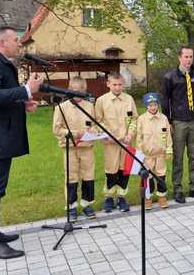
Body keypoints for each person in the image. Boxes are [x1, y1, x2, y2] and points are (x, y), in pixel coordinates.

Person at [0, 26, 42, 259]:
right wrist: (25, 90)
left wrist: (23, 101)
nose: (19, 43)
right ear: (2, 42)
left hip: (1, 137)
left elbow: (1, 96)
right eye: (15, 40)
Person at [162, 46, 194, 204]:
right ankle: (178, 189)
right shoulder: (170, 77)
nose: (189, 60)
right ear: (179, 58)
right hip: (179, 122)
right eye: (186, 57)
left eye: (191, 56)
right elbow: (165, 101)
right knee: (178, 157)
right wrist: (168, 121)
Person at [51, 76, 97, 221]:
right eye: (75, 90)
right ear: (69, 89)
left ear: (85, 90)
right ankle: (71, 206)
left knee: (88, 176)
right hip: (70, 148)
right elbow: (57, 129)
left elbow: (95, 125)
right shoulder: (61, 108)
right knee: (71, 177)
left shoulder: (90, 106)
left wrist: (91, 132)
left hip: (87, 148)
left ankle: (87, 204)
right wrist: (76, 134)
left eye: (81, 90)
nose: (78, 93)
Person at [94, 72, 138, 213]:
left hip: (125, 142)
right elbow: (97, 122)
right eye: (114, 84)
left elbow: (134, 119)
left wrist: (130, 134)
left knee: (123, 170)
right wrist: (106, 134)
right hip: (110, 143)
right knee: (111, 171)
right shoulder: (101, 101)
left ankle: (121, 197)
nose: (118, 87)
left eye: (120, 84)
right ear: (108, 84)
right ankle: (109, 198)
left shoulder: (129, 99)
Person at [136, 92, 173, 210]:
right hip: (147, 156)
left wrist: (168, 150)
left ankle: (162, 197)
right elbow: (139, 137)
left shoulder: (163, 118)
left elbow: (168, 135)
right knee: (148, 178)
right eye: (150, 105)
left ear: (158, 105)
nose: (153, 107)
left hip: (161, 154)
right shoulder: (142, 119)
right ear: (146, 106)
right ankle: (148, 198)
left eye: (155, 104)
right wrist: (140, 153)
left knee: (161, 176)